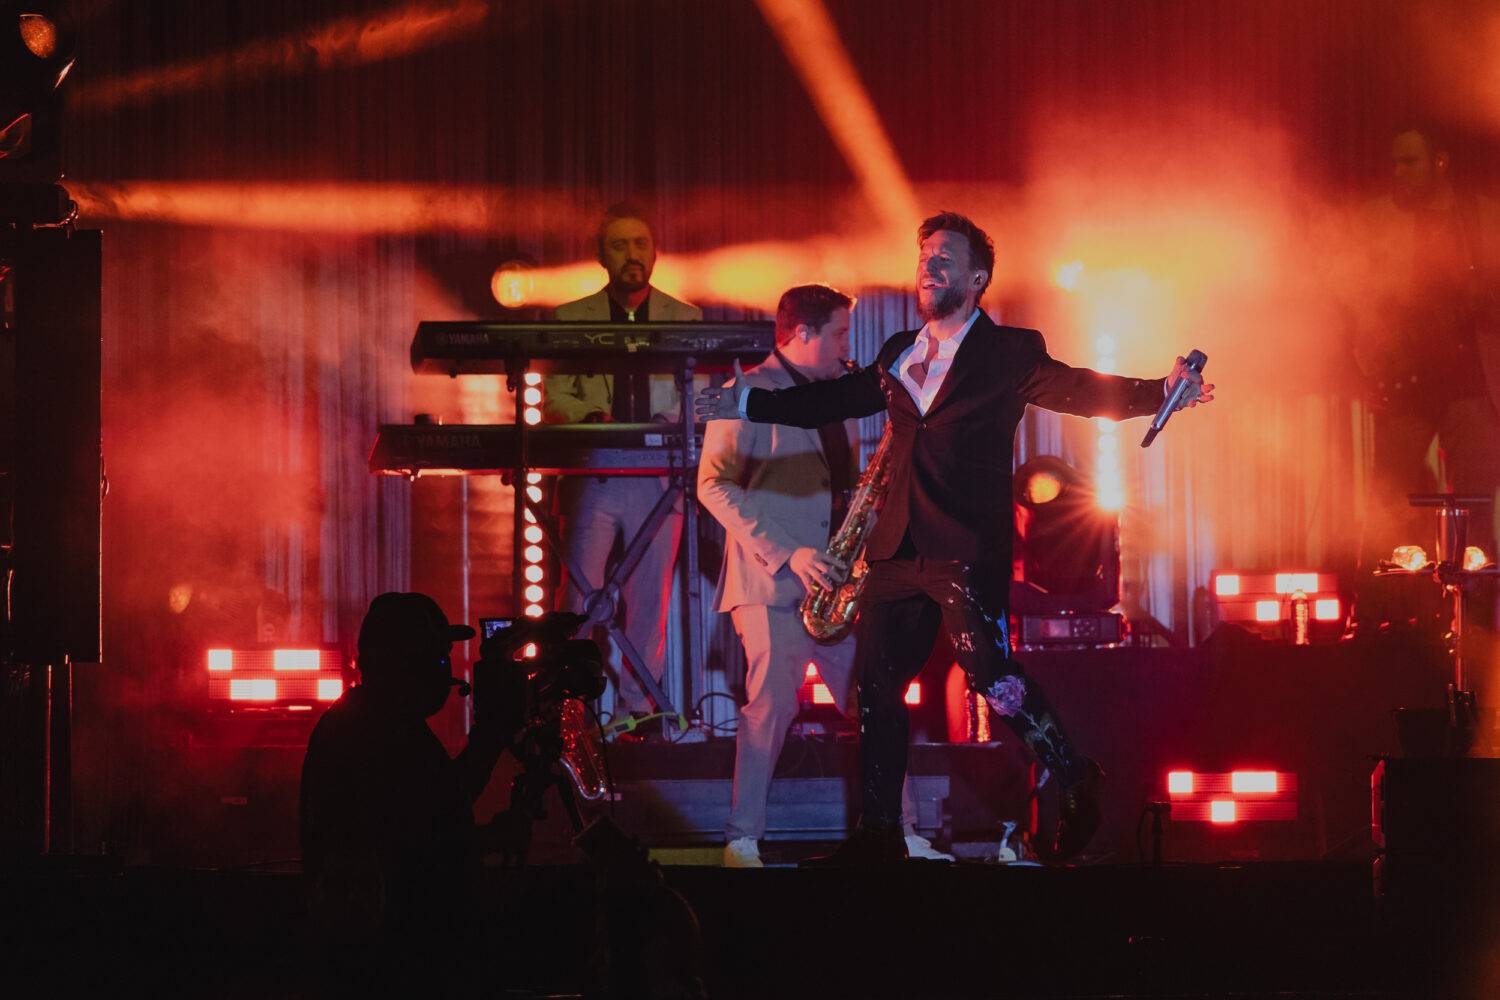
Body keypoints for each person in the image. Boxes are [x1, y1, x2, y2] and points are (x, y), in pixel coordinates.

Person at [697, 212, 1213, 863]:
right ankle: (880, 836)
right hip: (895, 547)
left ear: (976, 278)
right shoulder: (898, 353)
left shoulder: (1009, 353)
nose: (929, 267)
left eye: (946, 259)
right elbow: (832, 400)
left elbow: (1084, 392)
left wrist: (1159, 391)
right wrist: (744, 403)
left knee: (989, 674)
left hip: (965, 545)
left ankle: (1075, 771)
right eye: (924, 257)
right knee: (879, 687)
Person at [698, 283, 952, 867]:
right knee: (770, 709)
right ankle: (741, 842)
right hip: (773, 579)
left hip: (834, 580)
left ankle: (904, 833)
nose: (848, 346)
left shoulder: (831, 396)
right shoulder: (748, 392)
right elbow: (712, 486)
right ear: (804, 333)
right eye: (839, 333)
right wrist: (790, 553)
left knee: (877, 701)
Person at [544, 203, 703, 721]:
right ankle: (566, 709)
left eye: (640, 244)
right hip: (597, 472)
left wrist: (667, 417)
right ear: (601, 255)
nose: (632, 255)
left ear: (654, 252)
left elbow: (698, 399)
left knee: (649, 604)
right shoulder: (569, 318)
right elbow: (553, 395)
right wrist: (589, 414)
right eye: (620, 244)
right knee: (578, 597)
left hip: (659, 476)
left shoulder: (686, 318)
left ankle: (636, 715)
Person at [299, 592, 515, 940]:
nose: (446, 670)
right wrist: (492, 837)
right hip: (391, 952)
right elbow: (419, 829)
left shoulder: (365, 721)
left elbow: (434, 802)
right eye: (438, 659)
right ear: (409, 662)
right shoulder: (377, 729)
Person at [1349, 122, 1500, 591]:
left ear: (1440, 162)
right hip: (1404, 385)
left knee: (1475, 511)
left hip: (1472, 384)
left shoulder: (1484, 218)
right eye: (1394, 161)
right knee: (1388, 506)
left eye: (1408, 161)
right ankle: (1388, 615)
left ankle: (1474, 621)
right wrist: (1369, 360)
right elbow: (1352, 295)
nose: (1398, 171)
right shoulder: (1375, 220)